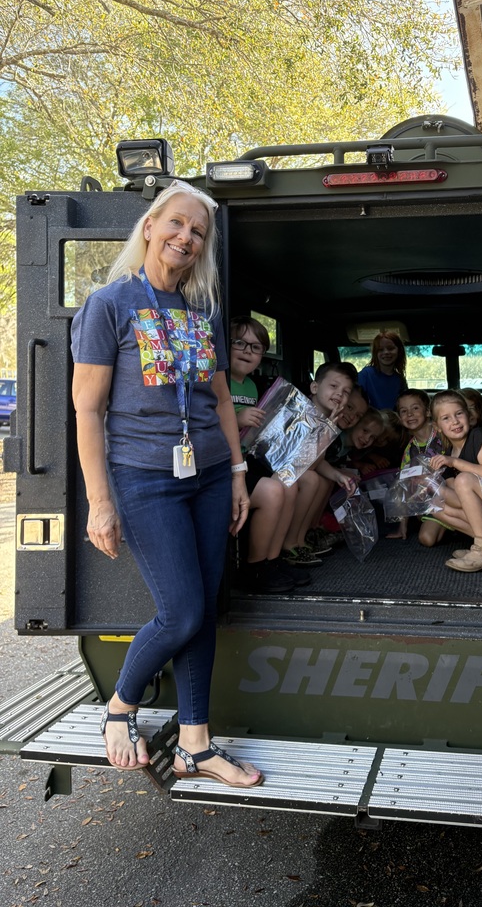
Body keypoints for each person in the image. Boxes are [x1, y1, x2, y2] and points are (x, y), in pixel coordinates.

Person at [71, 180, 263, 788]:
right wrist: (100, 502)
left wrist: (237, 474)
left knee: (202, 610)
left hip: (210, 475)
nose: (186, 237)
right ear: (150, 225)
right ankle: (120, 706)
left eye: (198, 231)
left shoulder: (201, 310)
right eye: (177, 223)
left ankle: (194, 746)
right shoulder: (109, 304)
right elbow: (87, 410)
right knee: (180, 612)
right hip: (145, 478)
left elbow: (221, 400)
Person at [228, 315, 304, 595]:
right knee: (272, 492)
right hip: (224, 465)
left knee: (290, 484)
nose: (247, 351)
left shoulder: (250, 385)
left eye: (256, 347)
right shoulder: (218, 381)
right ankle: (254, 567)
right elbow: (208, 420)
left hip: (246, 460)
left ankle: (273, 560)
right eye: (239, 343)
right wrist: (237, 419)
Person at [281, 362, 358, 565]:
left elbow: (318, 461)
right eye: (334, 386)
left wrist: (338, 476)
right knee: (312, 479)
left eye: (346, 392)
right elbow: (301, 462)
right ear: (315, 387)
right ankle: (289, 544)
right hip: (276, 469)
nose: (339, 394)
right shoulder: (300, 413)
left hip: (298, 468)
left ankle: (301, 537)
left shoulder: (325, 419)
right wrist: (328, 428)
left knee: (324, 479)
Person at [428, 390, 482, 572]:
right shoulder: (447, 455)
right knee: (435, 506)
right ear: (437, 427)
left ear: (469, 416)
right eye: (446, 418)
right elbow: (459, 501)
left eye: (459, 414)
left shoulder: (478, 436)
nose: (454, 421)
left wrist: (455, 463)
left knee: (463, 479)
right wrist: (433, 485)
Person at [389, 389, 446, 544]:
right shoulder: (409, 450)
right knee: (426, 538)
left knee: (427, 536)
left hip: (452, 494)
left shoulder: (443, 434)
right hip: (431, 502)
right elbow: (403, 486)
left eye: (415, 408)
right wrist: (402, 525)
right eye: (404, 411)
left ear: (427, 411)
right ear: (399, 417)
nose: (410, 414)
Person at [358, 331, 408, 409]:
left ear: (399, 351)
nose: (386, 352)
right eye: (380, 350)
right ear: (376, 353)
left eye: (390, 348)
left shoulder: (400, 380)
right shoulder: (366, 374)